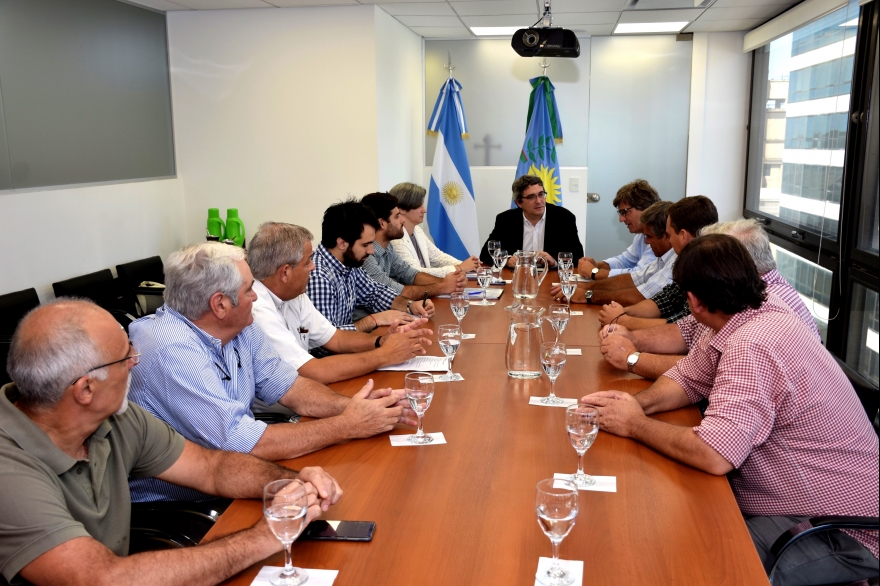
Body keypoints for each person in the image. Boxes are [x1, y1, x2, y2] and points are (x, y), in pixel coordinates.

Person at [581, 234, 879, 585]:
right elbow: (687, 378)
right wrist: (634, 405)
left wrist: (634, 425)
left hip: (837, 526)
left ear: (693, 300)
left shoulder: (752, 344)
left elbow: (715, 453)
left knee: (701, 567)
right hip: (792, 502)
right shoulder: (746, 312)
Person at [0, 299, 341, 586]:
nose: (137, 359)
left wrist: (289, 484)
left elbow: (212, 467)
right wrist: (262, 537)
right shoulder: (8, 470)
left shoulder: (115, 418)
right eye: (124, 357)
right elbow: (102, 579)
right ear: (85, 389)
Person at [128, 242, 415, 503]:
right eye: (249, 289)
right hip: (183, 505)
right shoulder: (169, 348)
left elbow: (291, 386)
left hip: (235, 478)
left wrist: (352, 408)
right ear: (220, 304)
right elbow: (241, 444)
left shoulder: (241, 325)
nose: (256, 296)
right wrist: (348, 425)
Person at [599, 218, 821, 380]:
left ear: (737, 264)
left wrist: (631, 357)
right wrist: (631, 338)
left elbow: (712, 371)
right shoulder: (745, 291)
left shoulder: (766, 303)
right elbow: (687, 330)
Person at [249, 221, 434, 384]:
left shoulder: (294, 294)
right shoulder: (258, 310)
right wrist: (385, 354)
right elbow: (314, 371)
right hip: (282, 413)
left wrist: (382, 341)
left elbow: (336, 338)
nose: (312, 267)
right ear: (285, 272)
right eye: (307, 262)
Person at [307, 199, 435, 333]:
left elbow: (375, 293)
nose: (371, 251)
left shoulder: (349, 263)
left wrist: (410, 305)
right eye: (365, 245)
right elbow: (326, 339)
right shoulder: (319, 276)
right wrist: (374, 320)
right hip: (330, 354)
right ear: (342, 243)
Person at [597, 196, 718, 330]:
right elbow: (666, 300)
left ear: (683, 235)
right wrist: (623, 313)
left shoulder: (710, 269)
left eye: (669, 235)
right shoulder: (690, 261)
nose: (669, 242)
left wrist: (621, 320)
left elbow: (684, 328)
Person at [553, 201, 675, 306]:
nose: (646, 241)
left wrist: (589, 290)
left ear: (667, 236)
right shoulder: (662, 256)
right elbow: (632, 278)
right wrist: (585, 286)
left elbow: (641, 295)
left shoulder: (675, 261)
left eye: (624, 212)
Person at [360, 192, 466, 297]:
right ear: (382, 223)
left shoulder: (387, 247)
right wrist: (442, 287)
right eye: (397, 216)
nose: (403, 220)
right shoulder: (365, 256)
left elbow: (411, 274)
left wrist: (448, 282)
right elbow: (393, 291)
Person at [478, 174, 584, 267]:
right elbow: (486, 255)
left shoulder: (564, 218)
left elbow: (578, 256)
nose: (538, 201)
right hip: (518, 277)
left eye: (541, 194)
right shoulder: (506, 220)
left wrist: (554, 260)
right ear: (519, 203)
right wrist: (507, 260)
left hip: (551, 277)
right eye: (531, 197)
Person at [389, 182, 481, 277]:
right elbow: (415, 273)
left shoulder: (417, 230)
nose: (424, 210)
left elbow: (437, 257)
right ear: (402, 209)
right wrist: (459, 268)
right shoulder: (396, 239)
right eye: (419, 205)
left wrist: (467, 265)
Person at [577, 179, 660, 280]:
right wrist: (597, 265)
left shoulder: (660, 234)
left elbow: (639, 275)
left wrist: (595, 272)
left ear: (644, 207)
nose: (621, 219)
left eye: (624, 212)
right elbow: (625, 261)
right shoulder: (641, 234)